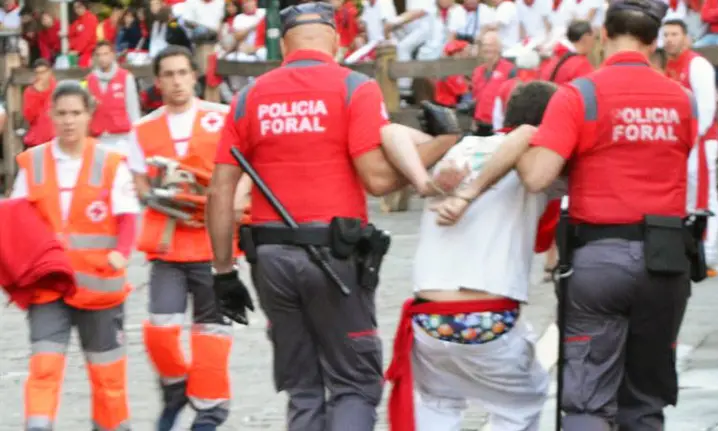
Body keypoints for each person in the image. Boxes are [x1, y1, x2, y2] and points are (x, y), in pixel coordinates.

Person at [433, 0, 709, 429]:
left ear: (602, 34)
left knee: (588, 402)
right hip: (667, 258)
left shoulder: (580, 94)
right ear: (656, 41)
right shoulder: (684, 100)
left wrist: (525, 140)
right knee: (646, 401)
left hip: (599, 255)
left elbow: (539, 178)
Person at [205, 3, 462, 430]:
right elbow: (378, 180)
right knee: (354, 385)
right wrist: (442, 143)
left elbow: (220, 190)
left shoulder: (250, 96)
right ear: (336, 41)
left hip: (270, 258)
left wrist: (222, 272)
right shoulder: (353, 88)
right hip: (333, 257)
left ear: (284, 44)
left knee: (303, 387)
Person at [385, 81, 557, 431]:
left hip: (428, 321)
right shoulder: (540, 162)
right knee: (521, 403)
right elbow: (526, 134)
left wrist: (423, 182)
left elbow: (389, 130)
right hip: (487, 319)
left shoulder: (457, 149)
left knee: (438, 403)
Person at [125, 45, 246, 431]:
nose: (177, 81)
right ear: (158, 81)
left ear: (194, 76)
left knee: (212, 332)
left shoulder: (223, 119)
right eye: (169, 74)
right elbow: (140, 184)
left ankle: (210, 411)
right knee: (160, 327)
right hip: (166, 245)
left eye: (182, 73)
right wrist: (157, 194)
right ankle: (176, 386)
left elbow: (244, 175)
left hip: (214, 246)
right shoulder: (142, 129)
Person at [10, 81, 139, 431]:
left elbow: (128, 216)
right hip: (49, 289)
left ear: (89, 116)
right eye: (62, 113)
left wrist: (121, 252)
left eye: (76, 113)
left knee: (108, 379)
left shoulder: (111, 163)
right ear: (50, 115)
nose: (69, 121)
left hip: (100, 290)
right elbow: (15, 221)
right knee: (44, 369)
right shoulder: (32, 163)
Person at [662, 18, 718, 276]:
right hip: (680, 141)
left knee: (705, 194)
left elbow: (707, 107)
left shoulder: (697, 64)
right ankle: (690, 250)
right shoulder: (667, 66)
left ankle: (708, 253)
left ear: (686, 37)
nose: (670, 39)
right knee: (685, 195)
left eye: (675, 34)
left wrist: (693, 137)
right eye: (666, 35)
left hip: (701, 139)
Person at [86, 41, 142, 155]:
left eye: (105, 54)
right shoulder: (90, 79)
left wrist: (136, 136)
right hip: (99, 137)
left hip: (122, 137)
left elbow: (133, 108)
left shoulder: (126, 77)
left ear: (112, 55)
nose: (102, 58)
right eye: (99, 55)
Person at [471, 31, 516, 136]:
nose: (487, 49)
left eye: (491, 45)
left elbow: (513, 100)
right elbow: (475, 98)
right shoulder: (477, 71)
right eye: (485, 45)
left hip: (499, 126)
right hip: (480, 126)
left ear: (499, 48)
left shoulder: (510, 70)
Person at [22, 58, 56, 147]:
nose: (41, 76)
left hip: (56, 139)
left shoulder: (58, 89)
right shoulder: (30, 92)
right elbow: (30, 117)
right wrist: (37, 94)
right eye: (38, 73)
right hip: (37, 141)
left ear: (50, 72)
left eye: (43, 72)